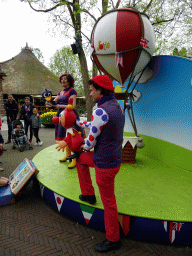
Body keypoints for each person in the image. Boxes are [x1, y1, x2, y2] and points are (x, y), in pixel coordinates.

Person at [56, 75, 125, 252]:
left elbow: (91, 141)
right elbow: (96, 125)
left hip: (104, 164)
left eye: (93, 90)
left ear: (101, 91)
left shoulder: (101, 111)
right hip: (113, 158)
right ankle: (88, 193)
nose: (91, 93)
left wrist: (79, 145)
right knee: (80, 160)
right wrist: (79, 122)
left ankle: (113, 238)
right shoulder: (116, 107)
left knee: (109, 202)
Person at [48, 73, 79, 168]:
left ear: (69, 80)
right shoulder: (60, 93)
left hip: (69, 115)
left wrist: (59, 106)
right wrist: (48, 102)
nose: (63, 80)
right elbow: (54, 101)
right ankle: (67, 155)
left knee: (72, 136)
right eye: (61, 79)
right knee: (65, 136)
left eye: (65, 79)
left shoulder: (72, 91)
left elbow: (73, 106)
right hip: (61, 116)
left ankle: (75, 158)